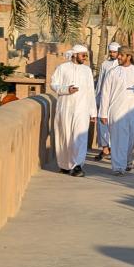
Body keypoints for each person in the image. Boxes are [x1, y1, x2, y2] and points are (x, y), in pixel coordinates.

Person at [98, 47, 134, 175]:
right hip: (117, 111)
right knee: (118, 140)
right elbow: (105, 93)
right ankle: (118, 167)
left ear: (128, 57)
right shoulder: (112, 72)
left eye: (121, 55)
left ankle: (128, 159)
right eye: (118, 55)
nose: (118, 57)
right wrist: (103, 113)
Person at [50, 44, 97, 177]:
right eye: (83, 55)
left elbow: (90, 92)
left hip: (82, 109)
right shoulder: (62, 68)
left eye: (86, 55)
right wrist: (66, 89)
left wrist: (93, 112)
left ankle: (77, 166)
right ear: (75, 54)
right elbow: (53, 84)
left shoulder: (87, 70)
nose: (85, 58)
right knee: (65, 137)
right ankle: (65, 165)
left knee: (80, 137)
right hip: (65, 108)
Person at [95, 41, 120, 160]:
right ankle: (105, 148)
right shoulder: (105, 64)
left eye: (114, 52)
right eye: (110, 52)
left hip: (117, 99)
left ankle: (113, 149)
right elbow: (100, 82)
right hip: (104, 97)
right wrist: (97, 98)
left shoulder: (121, 65)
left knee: (115, 124)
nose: (112, 54)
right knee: (102, 123)